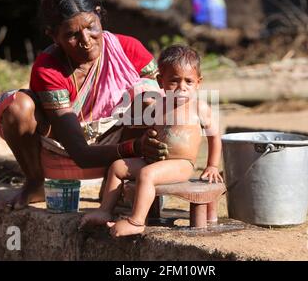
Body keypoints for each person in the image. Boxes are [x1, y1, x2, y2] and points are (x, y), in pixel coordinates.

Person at [0, 0, 169, 210]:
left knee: (152, 97)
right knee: (17, 106)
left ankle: (116, 184)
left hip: (121, 138)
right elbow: (81, 154)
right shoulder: (49, 68)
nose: (86, 41)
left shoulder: (129, 50)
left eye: (91, 27)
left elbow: (169, 103)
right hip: (62, 145)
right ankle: (35, 183)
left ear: (98, 15)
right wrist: (136, 148)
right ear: (53, 36)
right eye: (72, 35)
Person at [80, 45, 223, 237]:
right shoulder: (158, 105)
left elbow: (215, 136)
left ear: (198, 82)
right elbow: (147, 131)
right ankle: (105, 210)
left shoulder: (199, 107)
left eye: (188, 81)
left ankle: (136, 221)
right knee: (117, 167)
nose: (181, 88)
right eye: (174, 81)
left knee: (147, 175)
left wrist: (212, 166)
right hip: (154, 161)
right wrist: (147, 138)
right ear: (160, 81)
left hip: (181, 164)